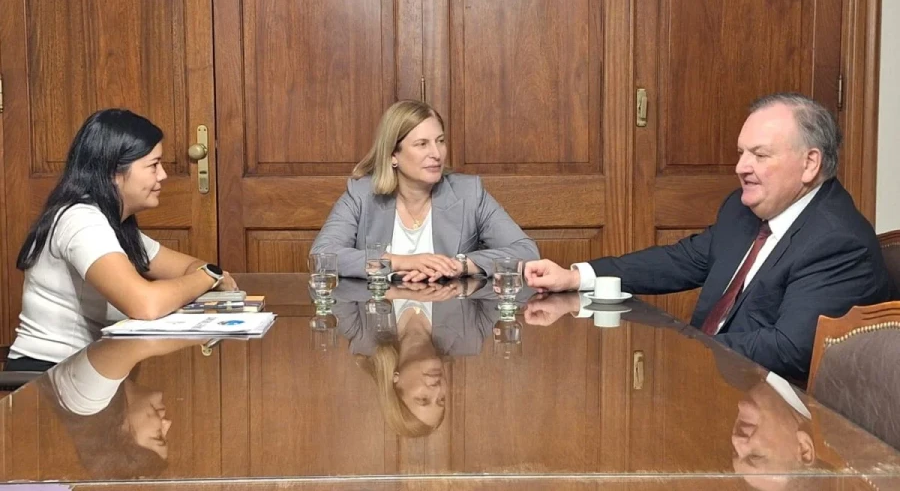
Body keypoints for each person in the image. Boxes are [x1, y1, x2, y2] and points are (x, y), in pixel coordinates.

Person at [524, 93, 896, 381]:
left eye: (760, 155)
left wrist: (684, 348)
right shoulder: (744, 209)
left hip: (778, 409)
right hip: (716, 376)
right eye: (741, 153)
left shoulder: (837, 242)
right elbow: (681, 261)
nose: (741, 167)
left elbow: (790, 348)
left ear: (810, 164)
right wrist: (577, 276)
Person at [7, 109, 236, 372]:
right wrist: (210, 275)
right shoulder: (80, 220)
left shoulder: (114, 224)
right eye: (153, 165)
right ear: (113, 173)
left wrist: (201, 274)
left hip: (87, 372)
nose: (163, 175)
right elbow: (146, 304)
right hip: (48, 377)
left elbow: (187, 267)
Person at [311, 100, 539, 282]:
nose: (436, 154)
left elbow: (526, 251)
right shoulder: (361, 195)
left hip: (450, 321)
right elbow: (322, 256)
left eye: (440, 141)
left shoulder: (469, 193)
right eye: (422, 144)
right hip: (380, 327)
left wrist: (459, 265)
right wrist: (402, 262)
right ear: (393, 155)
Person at [332, 277, 499, 437]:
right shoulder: (470, 336)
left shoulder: (362, 333)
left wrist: (395, 292)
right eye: (441, 399)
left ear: (394, 382)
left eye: (423, 399)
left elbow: (326, 288)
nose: (437, 389)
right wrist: (462, 279)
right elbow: (512, 291)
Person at [36, 337, 203, 479]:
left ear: (120, 434)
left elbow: (144, 341)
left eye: (158, 436)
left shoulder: (87, 399)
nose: (167, 423)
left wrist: (209, 337)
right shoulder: (98, 397)